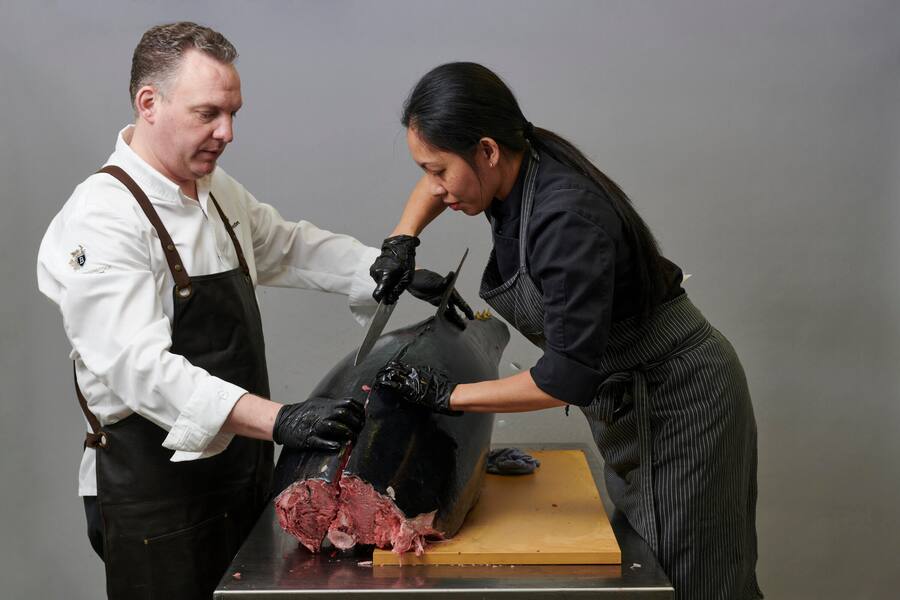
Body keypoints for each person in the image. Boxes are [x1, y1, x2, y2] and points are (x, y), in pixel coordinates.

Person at [35, 23, 462, 600]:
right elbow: (139, 370)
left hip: (242, 474)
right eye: (209, 113)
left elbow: (286, 244)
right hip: (157, 498)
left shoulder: (210, 189)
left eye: (233, 113)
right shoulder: (103, 219)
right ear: (148, 104)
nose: (227, 132)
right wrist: (281, 420)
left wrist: (387, 269)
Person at [370, 62, 762, 600]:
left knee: (693, 580)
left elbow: (563, 378)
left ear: (486, 150)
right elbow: (435, 179)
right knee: (655, 564)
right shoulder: (512, 163)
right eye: (426, 170)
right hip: (633, 399)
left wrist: (447, 396)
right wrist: (402, 239)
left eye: (439, 170)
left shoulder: (564, 220)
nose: (435, 187)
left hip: (680, 403)